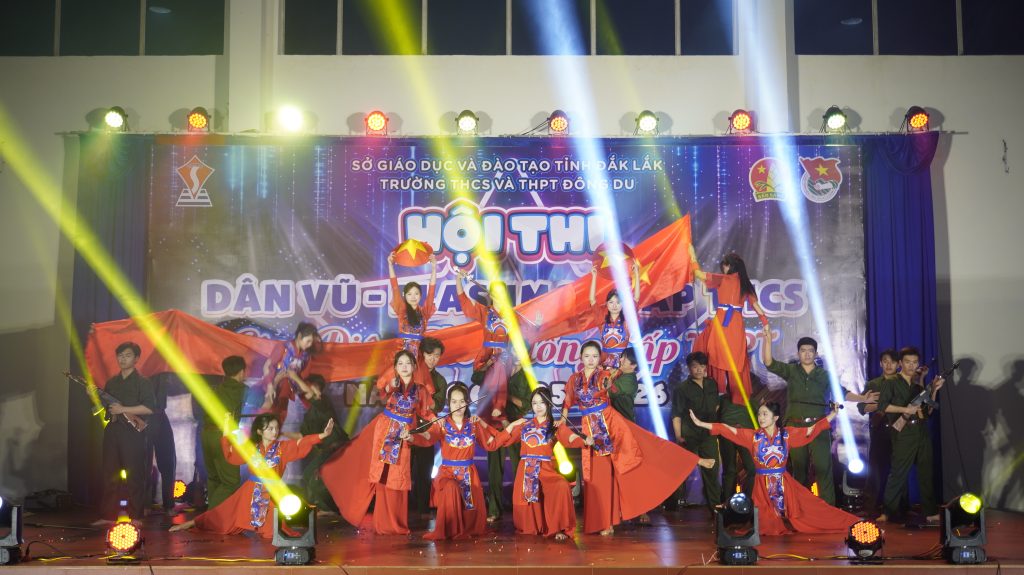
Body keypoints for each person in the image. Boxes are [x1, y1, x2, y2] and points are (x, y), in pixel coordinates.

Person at [558, 340, 708, 535]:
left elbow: (610, 380)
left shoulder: (605, 374)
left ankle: (609, 522)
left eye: (595, 356)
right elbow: (568, 401)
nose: (591, 360)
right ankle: (600, 520)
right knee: (594, 476)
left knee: (629, 459)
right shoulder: (574, 379)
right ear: (580, 358)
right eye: (587, 356)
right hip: (589, 426)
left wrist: (609, 375)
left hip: (609, 424)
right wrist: (562, 421)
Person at [691, 402, 858, 535]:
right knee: (766, 525)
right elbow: (727, 429)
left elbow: (811, 430)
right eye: (759, 414)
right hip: (762, 487)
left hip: (784, 483)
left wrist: (833, 414)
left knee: (812, 508)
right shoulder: (753, 437)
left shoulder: (786, 435)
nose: (760, 417)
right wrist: (700, 423)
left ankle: (851, 523)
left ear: (775, 417)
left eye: (765, 414)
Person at [321, 350, 434, 535]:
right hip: (385, 431)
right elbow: (384, 390)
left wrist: (438, 422)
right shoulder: (394, 384)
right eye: (400, 364)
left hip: (402, 435)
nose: (404, 367)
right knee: (383, 476)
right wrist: (391, 385)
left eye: (408, 363)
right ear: (395, 367)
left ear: (414, 366)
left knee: (398, 478)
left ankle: (397, 523)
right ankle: (383, 523)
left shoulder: (420, 390)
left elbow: (426, 413)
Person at [761, 326, 875, 506]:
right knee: (799, 470)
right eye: (803, 350)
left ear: (815, 353)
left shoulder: (824, 375)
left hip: (819, 427)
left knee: (823, 468)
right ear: (798, 353)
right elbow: (769, 362)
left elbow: (842, 392)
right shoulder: (791, 371)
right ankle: (799, 509)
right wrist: (767, 340)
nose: (807, 354)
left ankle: (827, 509)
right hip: (795, 427)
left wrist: (862, 398)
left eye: (810, 351)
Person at [169, 413, 332, 538]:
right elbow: (232, 454)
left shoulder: (282, 448)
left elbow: (300, 444)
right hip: (250, 491)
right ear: (260, 431)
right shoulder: (252, 449)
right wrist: (226, 431)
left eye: (276, 428)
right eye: (270, 428)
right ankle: (191, 523)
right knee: (222, 515)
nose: (275, 432)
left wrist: (322, 435)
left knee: (274, 532)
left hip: (271, 492)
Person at [404, 383, 501, 540]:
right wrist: (411, 437)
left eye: (462, 401)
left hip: (469, 474)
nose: (458, 405)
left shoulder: (473, 424)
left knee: (470, 510)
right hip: (447, 473)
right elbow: (428, 436)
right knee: (451, 487)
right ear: (449, 403)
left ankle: (465, 529)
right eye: (454, 401)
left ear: (467, 403)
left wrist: (509, 428)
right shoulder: (442, 424)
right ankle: (449, 528)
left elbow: (491, 443)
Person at [455, 269, 513, 521]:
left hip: (510, 376)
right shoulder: (485, 313)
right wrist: (458, 279)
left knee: (519, 453)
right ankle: (493, 507)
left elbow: (527, 343)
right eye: (495, 293)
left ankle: (526, 507)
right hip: (489, 374)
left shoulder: (514, 317)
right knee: (494, 450)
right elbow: (465, 304)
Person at [497, 387, 589, 541]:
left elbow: (570, 438)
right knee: (528, 519)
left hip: (545, 470)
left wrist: (584, 440)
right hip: (526, 470)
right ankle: (535, 526)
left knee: (561, 486)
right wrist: (511, 426)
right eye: (534, 403)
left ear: (549, 404)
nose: (538, 406)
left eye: (542, 402)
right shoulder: (525, 425)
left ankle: (558, 528)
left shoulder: (555, 426)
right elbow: (505, 440)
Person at [689, 250, 769, 404]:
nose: (723, 269)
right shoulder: (745, 284)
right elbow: (756, 306)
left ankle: (717, 393)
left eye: (725, 266)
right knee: (735, 360)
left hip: (722, 323)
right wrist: (765, 323)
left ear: (730, 266)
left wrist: (692, 256)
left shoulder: (722, 279)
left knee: (714, 355)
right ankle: (738, 399)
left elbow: (698, 274)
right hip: (735, 325)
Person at [877, 347, 945, 524]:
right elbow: (883, 406)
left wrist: (935, 390)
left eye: (914, 362)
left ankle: (930, 512)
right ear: (900, 363)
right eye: (907, 362)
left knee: (926, 472)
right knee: (898, 473)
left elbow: (928, 411)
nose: (911, 366)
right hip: (903, 433)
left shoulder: (917, 386)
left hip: (921, 432)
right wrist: (905, 409)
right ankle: (887, 512)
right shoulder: (891, 382)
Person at [93, 341, 155, 525]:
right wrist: (93, 395)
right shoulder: (112, 382)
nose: (123, 359)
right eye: (120, 355)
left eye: (127, 355)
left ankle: (136, 516)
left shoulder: (143, 382)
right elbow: (104, 406)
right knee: (109, 474)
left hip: (132, 432)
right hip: (113, 430)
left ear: (136, 359)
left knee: (135, 474)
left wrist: (123, 409)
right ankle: (108, 515)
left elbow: (149, 408)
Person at [670, 351, 722, 513]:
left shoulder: (712, 384)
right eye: (695, 366)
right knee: (682, 469)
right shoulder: (682, 389)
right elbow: (676, 414)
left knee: (712, 470)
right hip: (689, 435)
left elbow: (716, 405)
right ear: (689, 368)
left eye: (702, 366)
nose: (699, 369)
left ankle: (715, 508)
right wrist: (678, 436)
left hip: (708, 435)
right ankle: (672, 505)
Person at [380, 252, 438, 394]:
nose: (413, 297)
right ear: (405, 296)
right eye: (409, 294)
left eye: (416, 293)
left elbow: (431, 291)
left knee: (419, 390)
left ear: (420, 296)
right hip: (402, 353)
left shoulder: (424, 312)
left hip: (418, 356)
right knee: (396, 386)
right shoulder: (402, 310)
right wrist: (390, 265)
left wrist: (434, 268)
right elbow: (394, 286)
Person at [201, 355, 248, 510]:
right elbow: (264, 403)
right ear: (241, 372)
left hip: (206, 434)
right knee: (231, 481)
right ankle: (210, 516)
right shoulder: (241, 390)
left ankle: (216, 517)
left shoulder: (216, 389)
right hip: (224, 436)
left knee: (214, 478)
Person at [410, 337, 448, 519]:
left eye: (437, 356)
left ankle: (423, 510)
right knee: (404, 470)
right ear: (422, 354)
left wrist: (425, 397)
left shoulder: (440, 381)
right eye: (429, 354)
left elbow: (437, 406)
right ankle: (403, 508)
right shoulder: (411, 372)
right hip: (408, 428)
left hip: (426, 430)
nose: (433, 359)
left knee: (425, 471)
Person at [857, 349, 898, 514]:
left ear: (898, 364)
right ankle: (870, 507)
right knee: (875, 470)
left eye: (892, 362)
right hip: (880, 429)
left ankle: (898, 508)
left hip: (900, 430)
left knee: (898, 470)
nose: (889, 365)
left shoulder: (903, 382)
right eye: (885, 361)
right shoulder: (873, 384)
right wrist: (881, 405)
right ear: (881, 363)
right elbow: (862, 407)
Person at [299, 374, 348, 513]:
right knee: (310, 476)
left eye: (308, 386)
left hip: (337, 448)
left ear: (316, 388)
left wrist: (293, 376)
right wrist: (280, 434)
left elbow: (313, 395)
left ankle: (338, 509)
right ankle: (325, 508)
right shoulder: (309, 414)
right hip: (327, 451)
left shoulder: (323, 402)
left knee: (312, 476)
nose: (304, 390)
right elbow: (303, 435)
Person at [261, 322, 321, 424]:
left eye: (312, 342)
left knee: (280, 415)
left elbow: (303, 377)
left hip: (288, 389)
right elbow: (267, 366)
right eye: (308, 341)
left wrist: (311, 387)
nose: (310, 344)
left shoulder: (306, 356)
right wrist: (270, 385)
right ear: (300, 336)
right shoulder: (284, 347)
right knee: (267, 410)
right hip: (273, 385)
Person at [588, 258, 641, 371]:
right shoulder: (602, 319)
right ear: (607, 304)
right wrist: (594, 277)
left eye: (618, 302)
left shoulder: (627, 321)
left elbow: (636, 298)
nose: (614, 305)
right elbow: (592, 300)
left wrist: (636, 274)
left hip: (623, 365)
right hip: (604, 365)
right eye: (611, 302)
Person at [146, 373, 177, 517]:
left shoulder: (163, 371)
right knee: (143, 465)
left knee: (168, 463)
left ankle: (168, 505)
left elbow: (174, 388)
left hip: (159, 415)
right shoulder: (141, 372)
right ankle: (144, 505)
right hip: (144, 415)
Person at [609, 347, 639, 423]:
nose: (620, 359)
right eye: (621, 357)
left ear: (633, 365)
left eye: (624, 359)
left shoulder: (629, 381)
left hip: (623, 423)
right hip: (615, 420)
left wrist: (609, 376)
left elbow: (606, 393)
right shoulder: (622, 374)